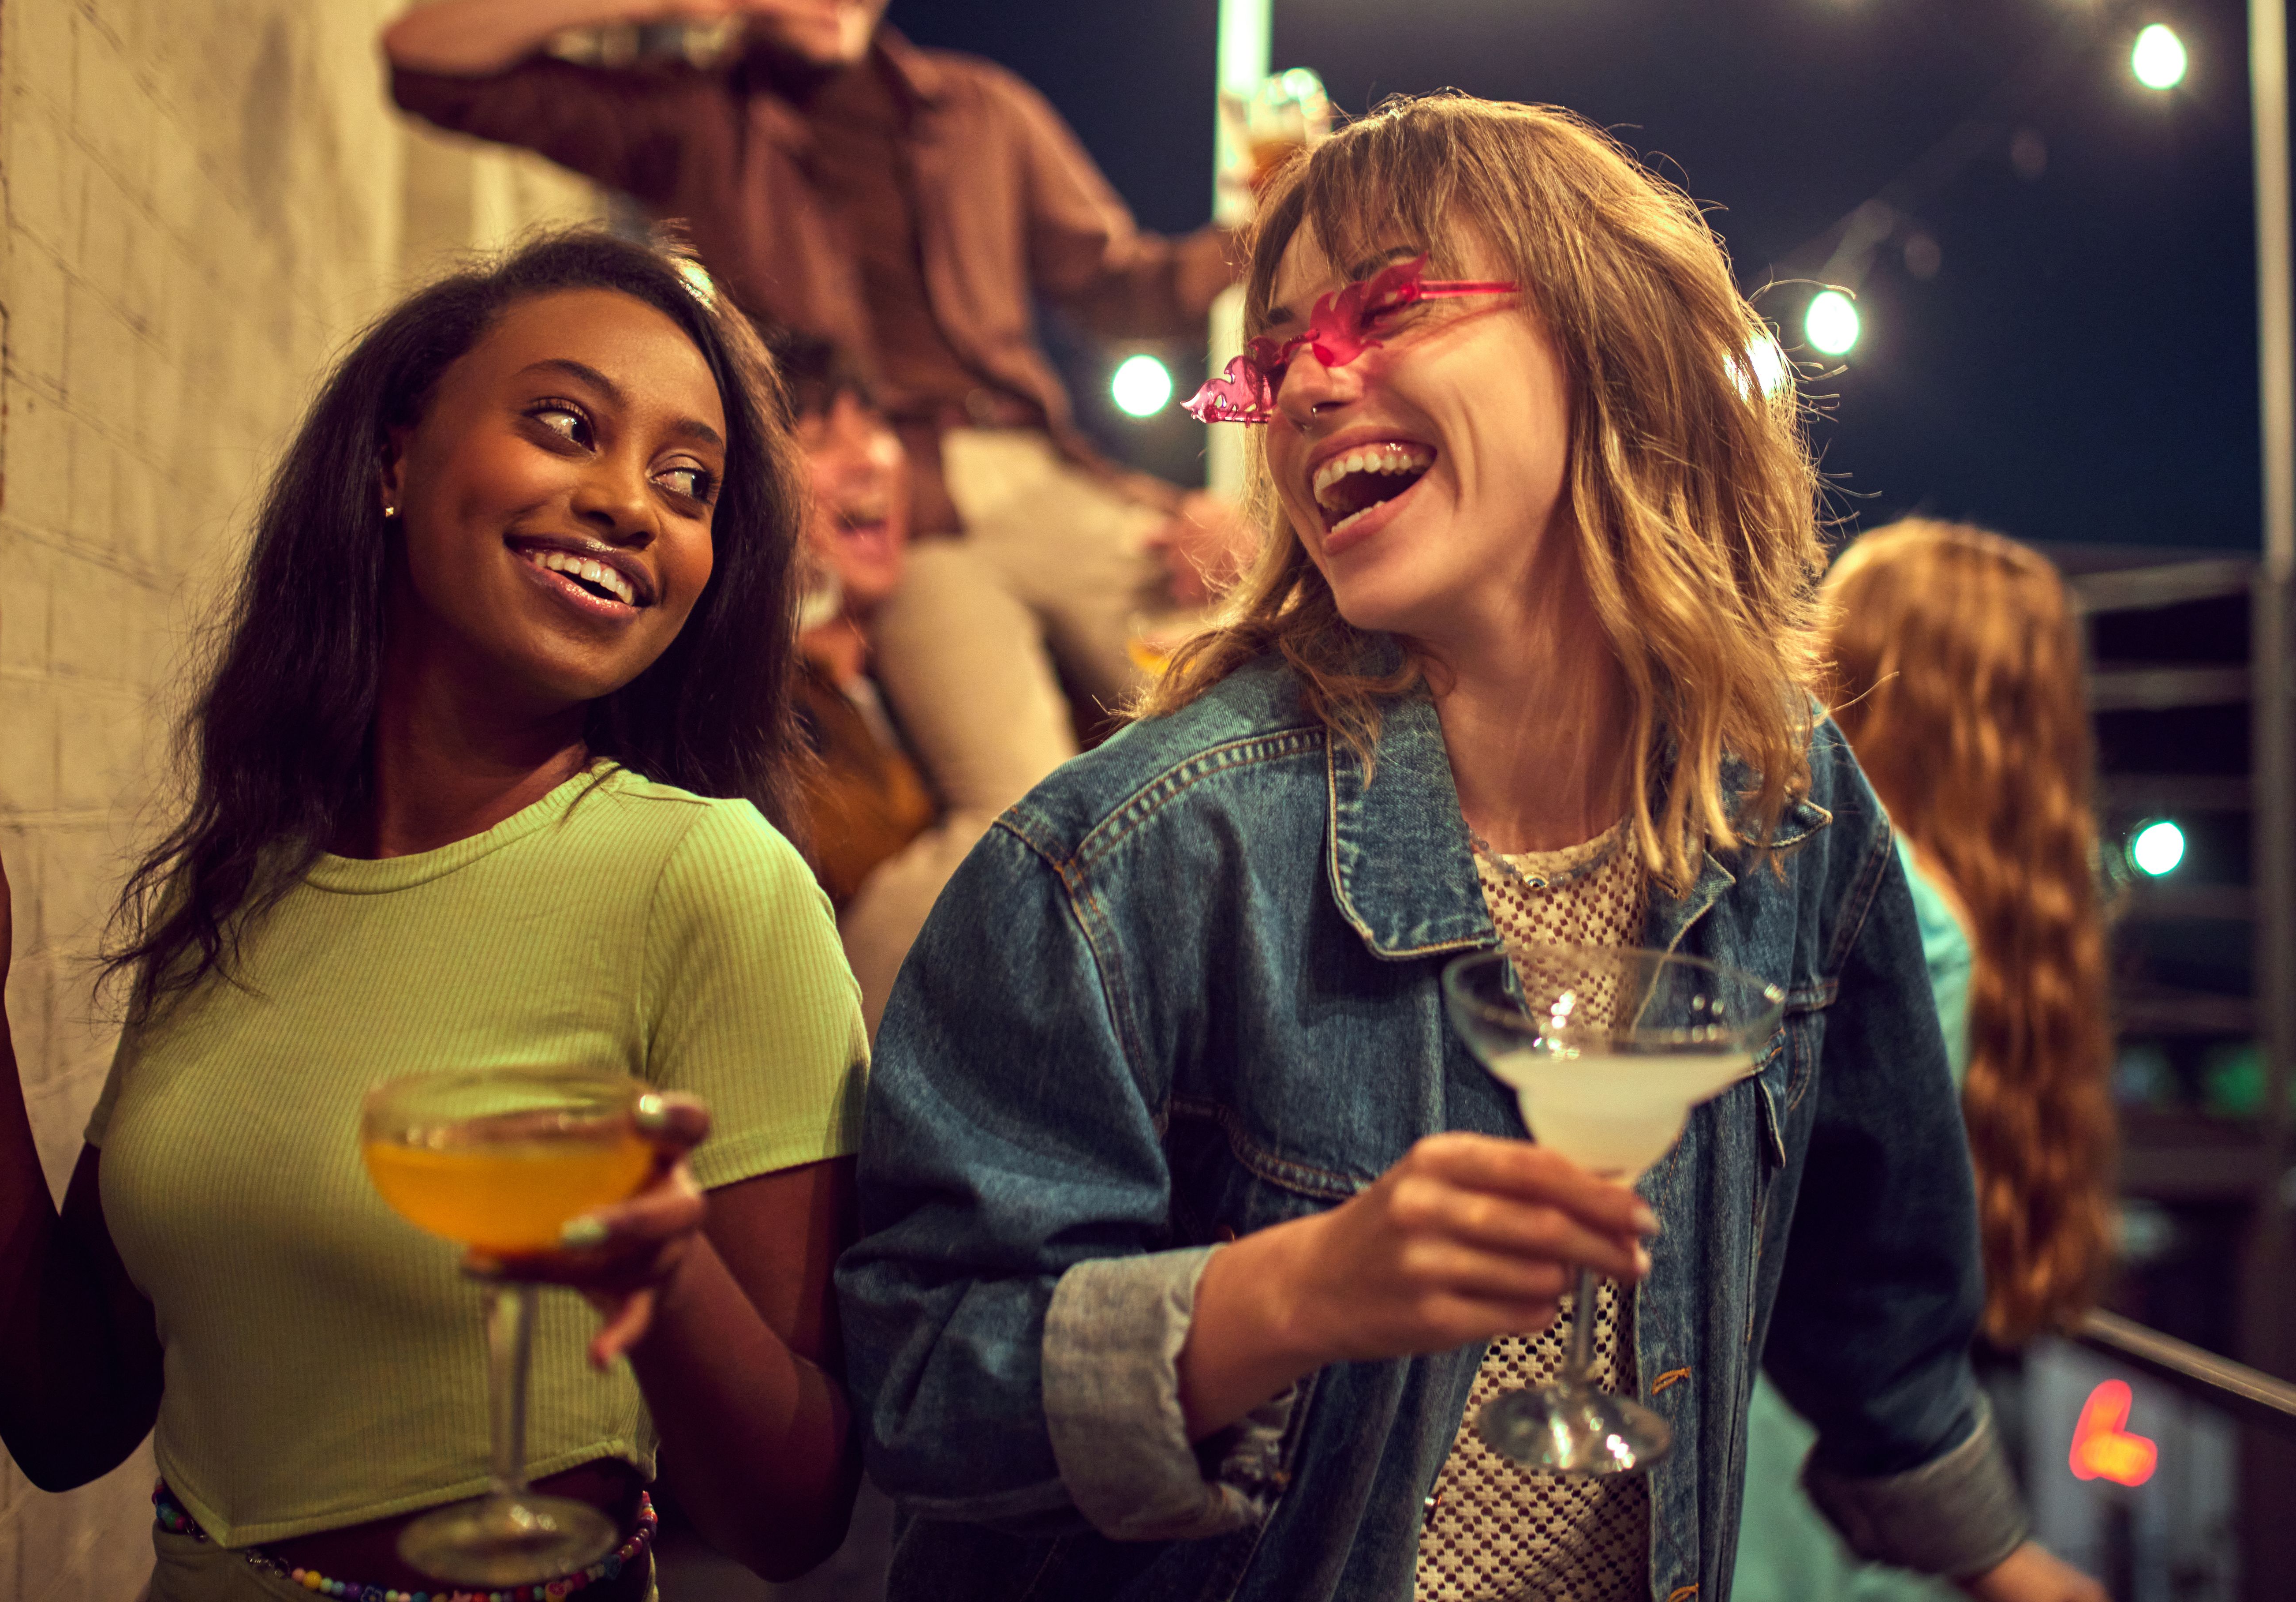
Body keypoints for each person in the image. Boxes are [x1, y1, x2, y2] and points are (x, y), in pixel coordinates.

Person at [836, 94, 2105, 1602]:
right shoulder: (1133, 857)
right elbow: (916, 1378)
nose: (1308, 380)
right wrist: (1287, 1292)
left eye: (1392, 305)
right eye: (1274, 352)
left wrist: (2002, 1558)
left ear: (1607, 338)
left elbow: (1872, 1290)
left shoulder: (1786, 801)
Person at [0, 232, 870, 1598]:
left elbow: (795, 1518)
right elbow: (71, 1416)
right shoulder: (239, 885)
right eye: (564, 424)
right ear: (393, 461)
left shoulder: (711, 878)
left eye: (688, 483)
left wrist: (660, 1278)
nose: (629, 505)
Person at [379, 0, 1251, 824]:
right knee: (1020, 817)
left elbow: (1121, 290)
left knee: (1245, 709)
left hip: (1033, 471)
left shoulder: (981, 112)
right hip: (889, 518)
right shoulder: (694, 122)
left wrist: (1258, 232)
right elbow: (425, 59)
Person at [1737, 518, 2117, 1598]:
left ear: (1857, 671)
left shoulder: (1860, 890)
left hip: (1778, 1471)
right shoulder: (1982, 915)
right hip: (1863, 1485)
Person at [770, 326, 1009, 1033]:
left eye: (874, 425)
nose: (868, 461)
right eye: (817, 438)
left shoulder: (925, 691)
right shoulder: (754, 705)